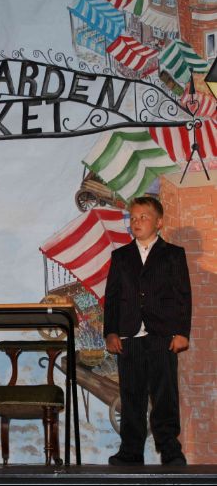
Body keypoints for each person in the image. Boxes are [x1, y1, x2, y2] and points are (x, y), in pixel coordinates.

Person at [104, 196, 191, 467]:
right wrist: (111, 332)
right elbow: (113, 297)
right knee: (131, 396)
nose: (137, 221)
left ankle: (170, 450)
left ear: (159, 222)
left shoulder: (173, 254)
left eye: (144, 217)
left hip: (162, 336)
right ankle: (131, 451)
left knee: (165, 395)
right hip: (129, 338)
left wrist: (181, 332)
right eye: (133, 217)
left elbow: (182, 296)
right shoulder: (120, 257)